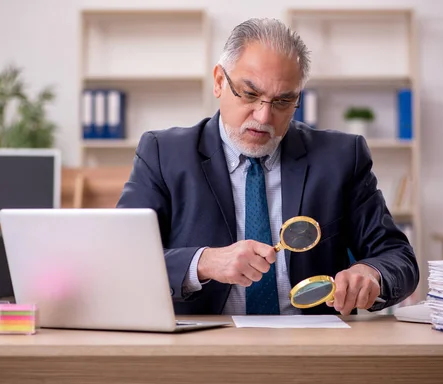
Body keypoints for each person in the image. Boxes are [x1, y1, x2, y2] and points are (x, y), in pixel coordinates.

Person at [116, 17, 419, 316]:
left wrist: (371, 274)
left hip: (313, 348)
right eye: (250, 94)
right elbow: (120, 258)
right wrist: (204, 262)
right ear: (220, 81)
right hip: (202, 346)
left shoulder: (341, 158)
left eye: (283, 101)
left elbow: (399, 258)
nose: (263, 117)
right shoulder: (164, 153)